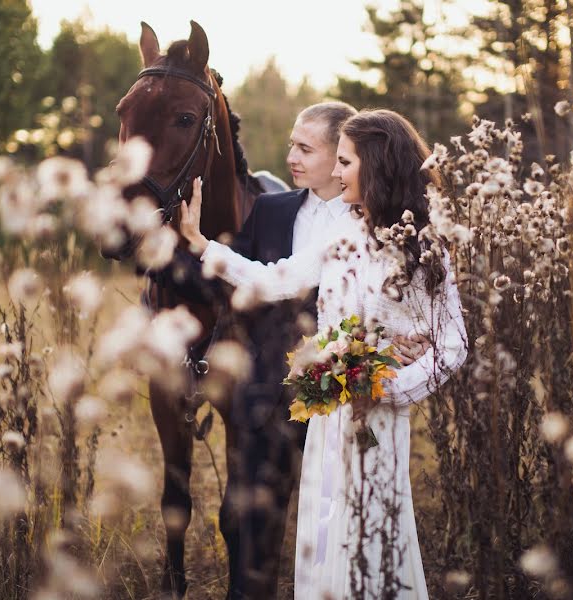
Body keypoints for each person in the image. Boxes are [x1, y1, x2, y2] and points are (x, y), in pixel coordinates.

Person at [180, 109, 469, 599]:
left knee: (368, 535)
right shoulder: (341, 236)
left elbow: (453, 343)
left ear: (376, 165)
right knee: (321, 535)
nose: (336, 174)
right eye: (335, 161)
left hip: (376, 423)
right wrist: (202, 245)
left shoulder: (422, 246)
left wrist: (387, 386)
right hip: (326, 417)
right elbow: (279, 278)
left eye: (346, 162)